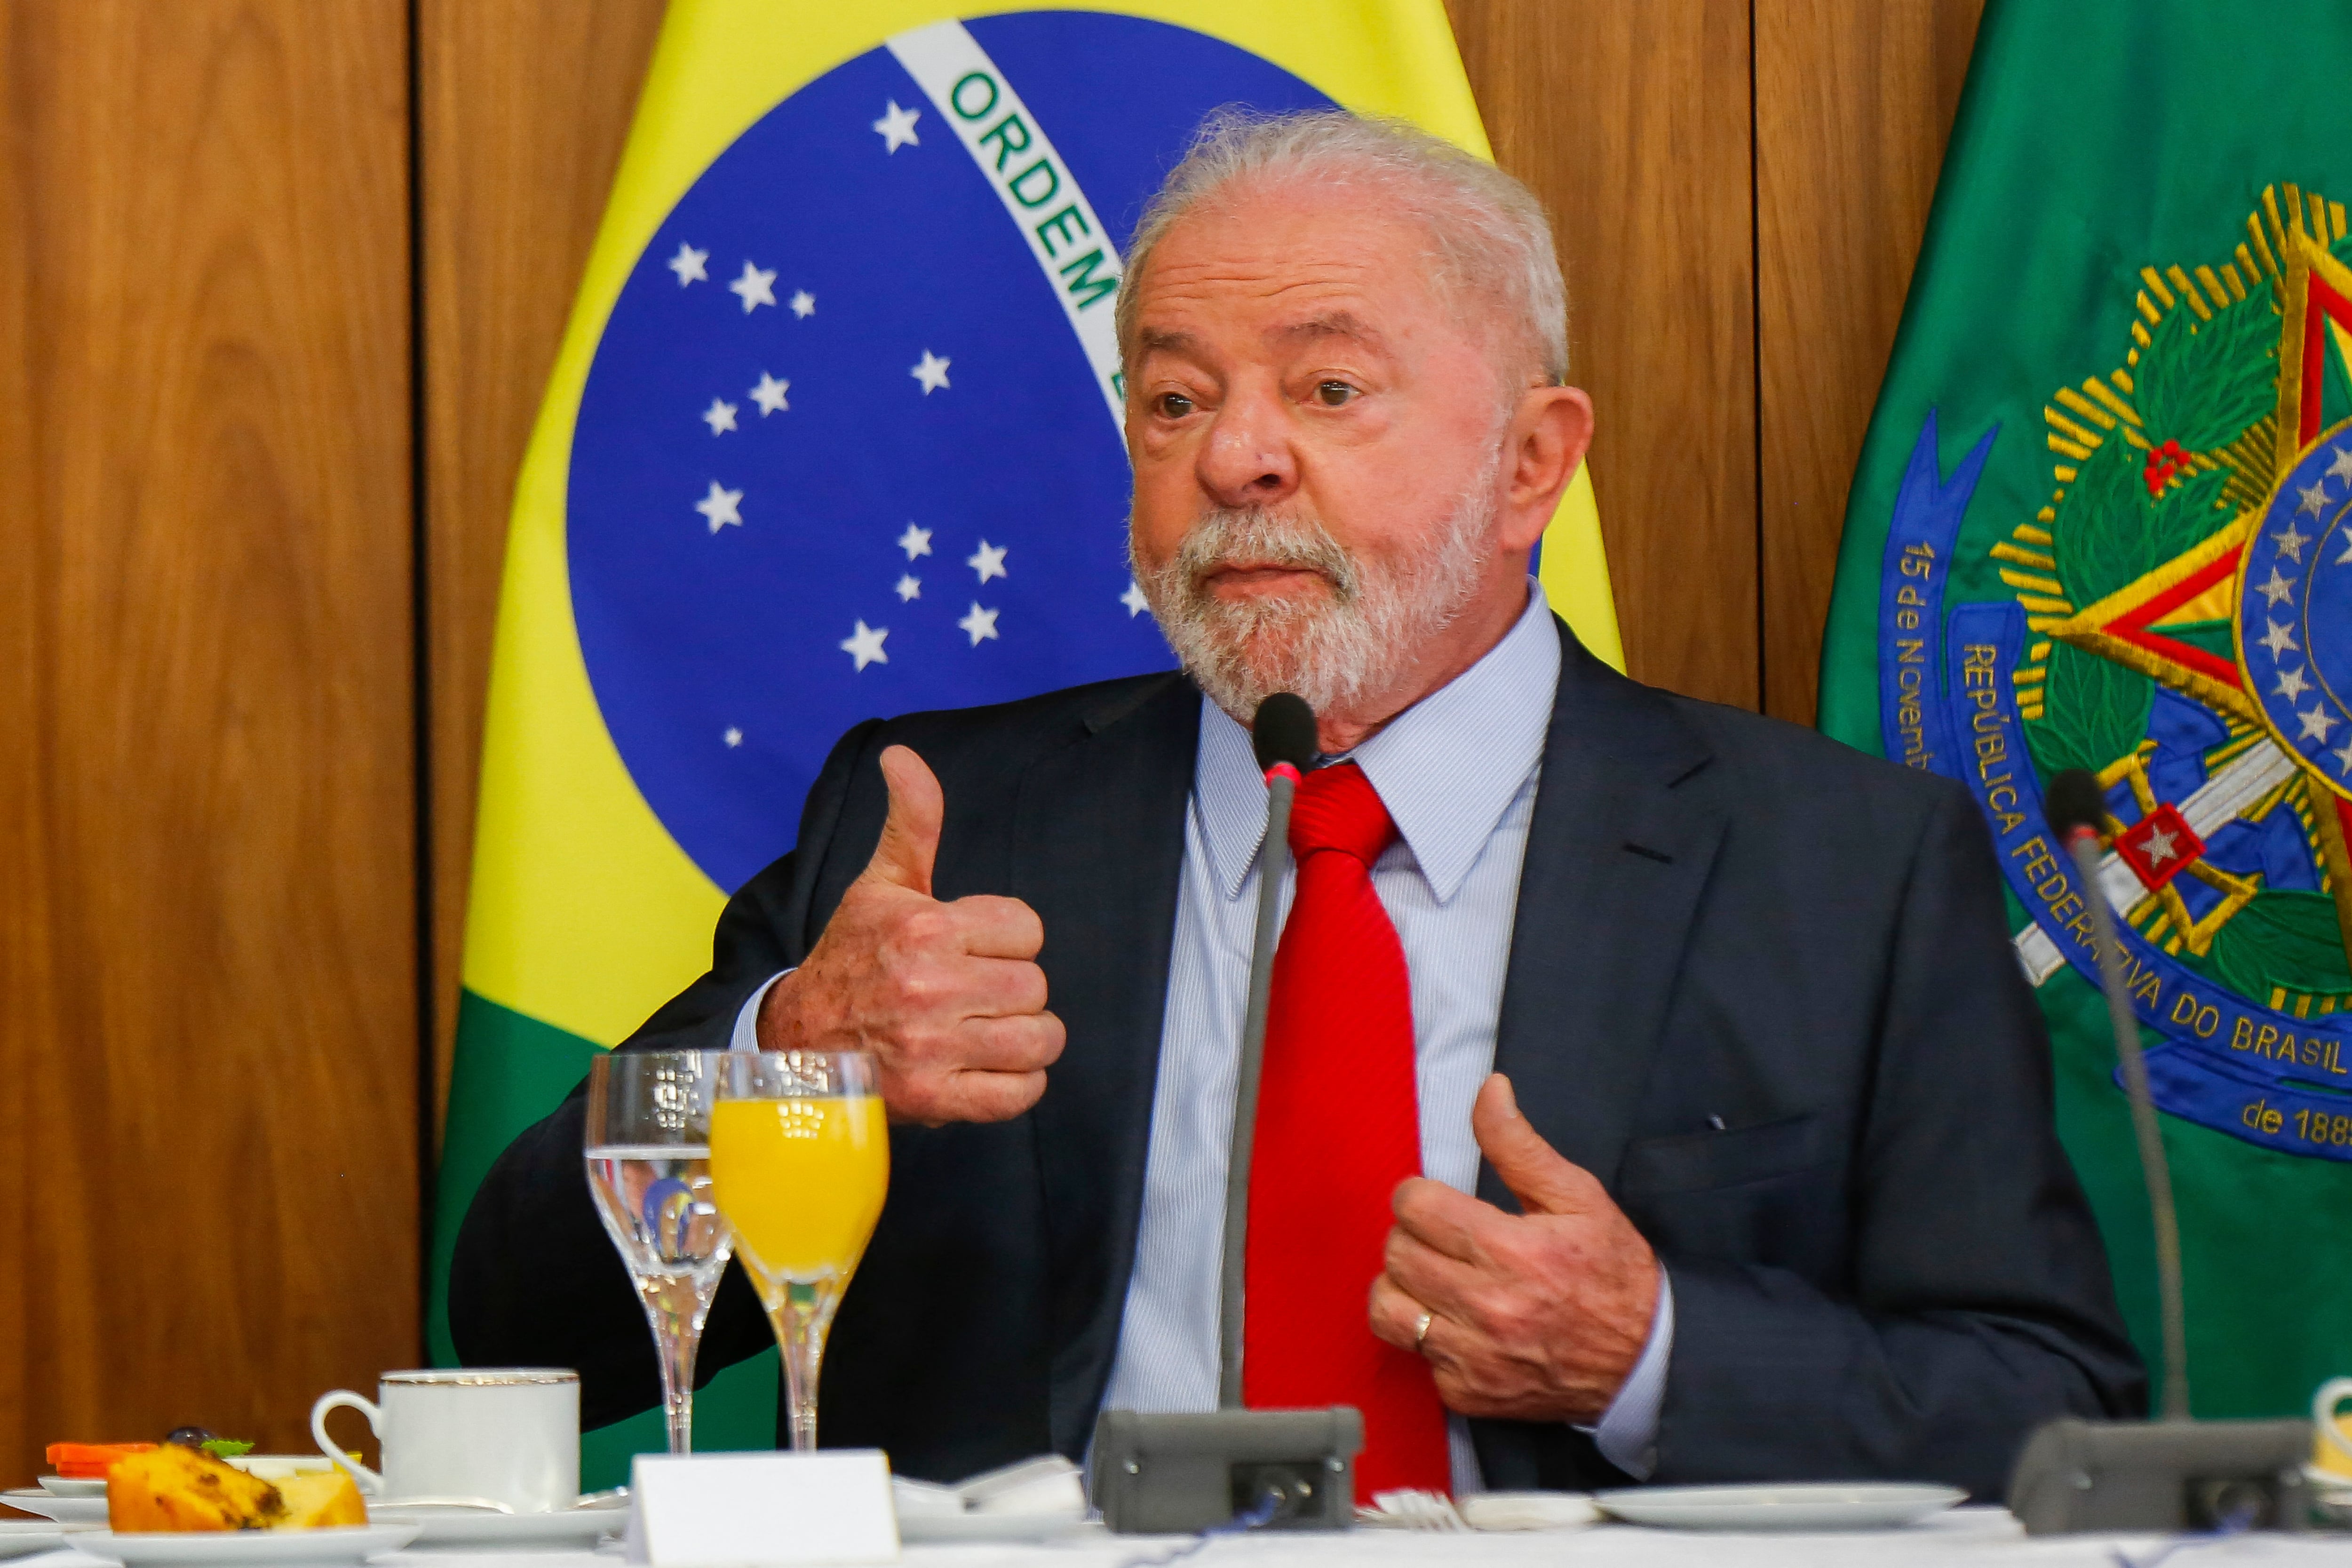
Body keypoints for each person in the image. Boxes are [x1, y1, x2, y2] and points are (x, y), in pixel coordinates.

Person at [451, 109, 2143, 1501]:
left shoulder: (1841, 863)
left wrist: (1652, 1358)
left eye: (1329, 391)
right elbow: (520, 1316)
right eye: (1175, 398)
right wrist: (788, 1055)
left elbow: (2052, 1414)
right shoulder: (937, 822)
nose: (1237, 458)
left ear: (1535, 462)